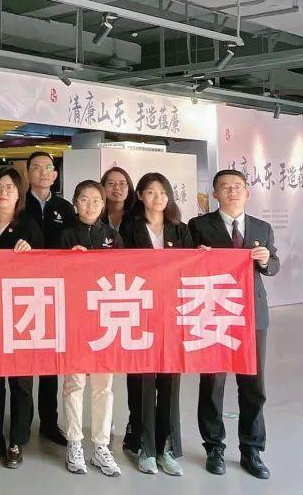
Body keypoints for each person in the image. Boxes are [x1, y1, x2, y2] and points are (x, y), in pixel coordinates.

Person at [189, 169, 279, 480]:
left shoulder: (262, 227)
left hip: (253, 316)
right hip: (214, 312)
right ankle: (214, 446)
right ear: (215, 193)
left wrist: (265, 259)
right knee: (212, 383)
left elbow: (274, 265)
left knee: (253, 384)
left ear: (247, 192)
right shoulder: (199, 225)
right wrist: (197, 257)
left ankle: (251, 448)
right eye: (225, 187)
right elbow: (185, 265)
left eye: (238, 186)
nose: (232, 192)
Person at [120, 172, 190, 476]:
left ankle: (167, 448)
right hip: (141, 314)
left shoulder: (181, 229)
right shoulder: (129, 227)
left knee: (170, 383)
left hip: (173, 315)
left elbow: (191, 267)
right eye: (150, 191)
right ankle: (145, 447)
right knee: (142, 383)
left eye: (162, 192)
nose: (157, 197)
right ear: (140, 196)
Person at [0, 167, 41, 469]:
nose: (3, 193)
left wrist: (32, 252)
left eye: (10, 188)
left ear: (19, 194)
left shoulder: (30, 226)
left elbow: (47, 268)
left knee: (21, 381)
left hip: (21, 314)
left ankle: (17, 440)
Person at [57, 180, 124, 478]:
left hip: (104, 319)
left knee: (103, 386)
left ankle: (101, 445)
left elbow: (124, 272)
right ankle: (74, 442)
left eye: (96, 200)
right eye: (84, 199)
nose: (91, 205)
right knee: (74, 384)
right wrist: (69, 260)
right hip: (74, 318)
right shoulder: (64, 234)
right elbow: (49, 272)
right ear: (75, 203)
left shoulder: (112, 236)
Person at [20, 151, 75, 445]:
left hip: (56, 290)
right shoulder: (19, 204)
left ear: (55, 175)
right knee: (24, 359)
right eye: (36, 168)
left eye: (48, 168)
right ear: (28, 173)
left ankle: (49, 422)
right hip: (22, 289)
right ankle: (23, 422)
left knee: (50, 362)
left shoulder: (65, 208)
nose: (43, 172)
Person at [100, 166, 136, 232]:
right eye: (111, 183)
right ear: (103, 187)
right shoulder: (96, 215)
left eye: (122, 183)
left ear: (128, 188)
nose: (117, 187)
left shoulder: (137, 216)